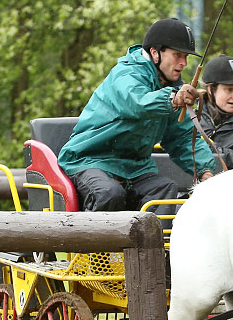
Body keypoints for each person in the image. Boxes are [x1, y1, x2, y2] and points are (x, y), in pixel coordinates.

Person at [58, 18, 216, 217]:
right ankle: (98, 248)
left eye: (185, 57)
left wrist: (206, 172)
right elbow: (137, 103)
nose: (183, 63)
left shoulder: (173, 87)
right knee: (109, 193)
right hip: (89, 161)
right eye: (177, 55)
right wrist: (173, 99)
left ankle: (153, 249)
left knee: (164, 190)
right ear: (154, 53)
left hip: (135, 169)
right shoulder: (126, 74)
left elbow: (181, 138)